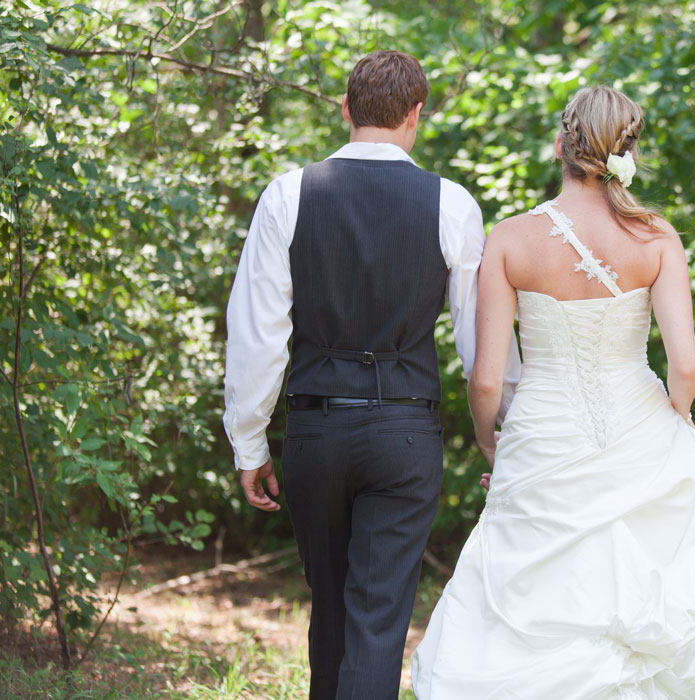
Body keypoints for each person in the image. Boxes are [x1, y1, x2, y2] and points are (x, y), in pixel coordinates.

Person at [411, 86, 695, 699]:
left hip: (543, 435)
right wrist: (672, 424)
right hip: (639, 430)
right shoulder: (657, 239)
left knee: (535, 606)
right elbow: (685, 366)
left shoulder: (511, 239)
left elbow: (487, 379)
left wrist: (488, 439)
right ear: (627, 151)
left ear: (560, 144)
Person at [222, 50, 519, 700]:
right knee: (377, 621)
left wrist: (249, 442)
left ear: (347, 109)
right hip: (405, 436)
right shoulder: (452, 204)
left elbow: (257, 336)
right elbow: (482, 347)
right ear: (416, 116)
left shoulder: (289, 192)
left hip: (315, 434)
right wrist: (508, 434)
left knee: (330, 611)